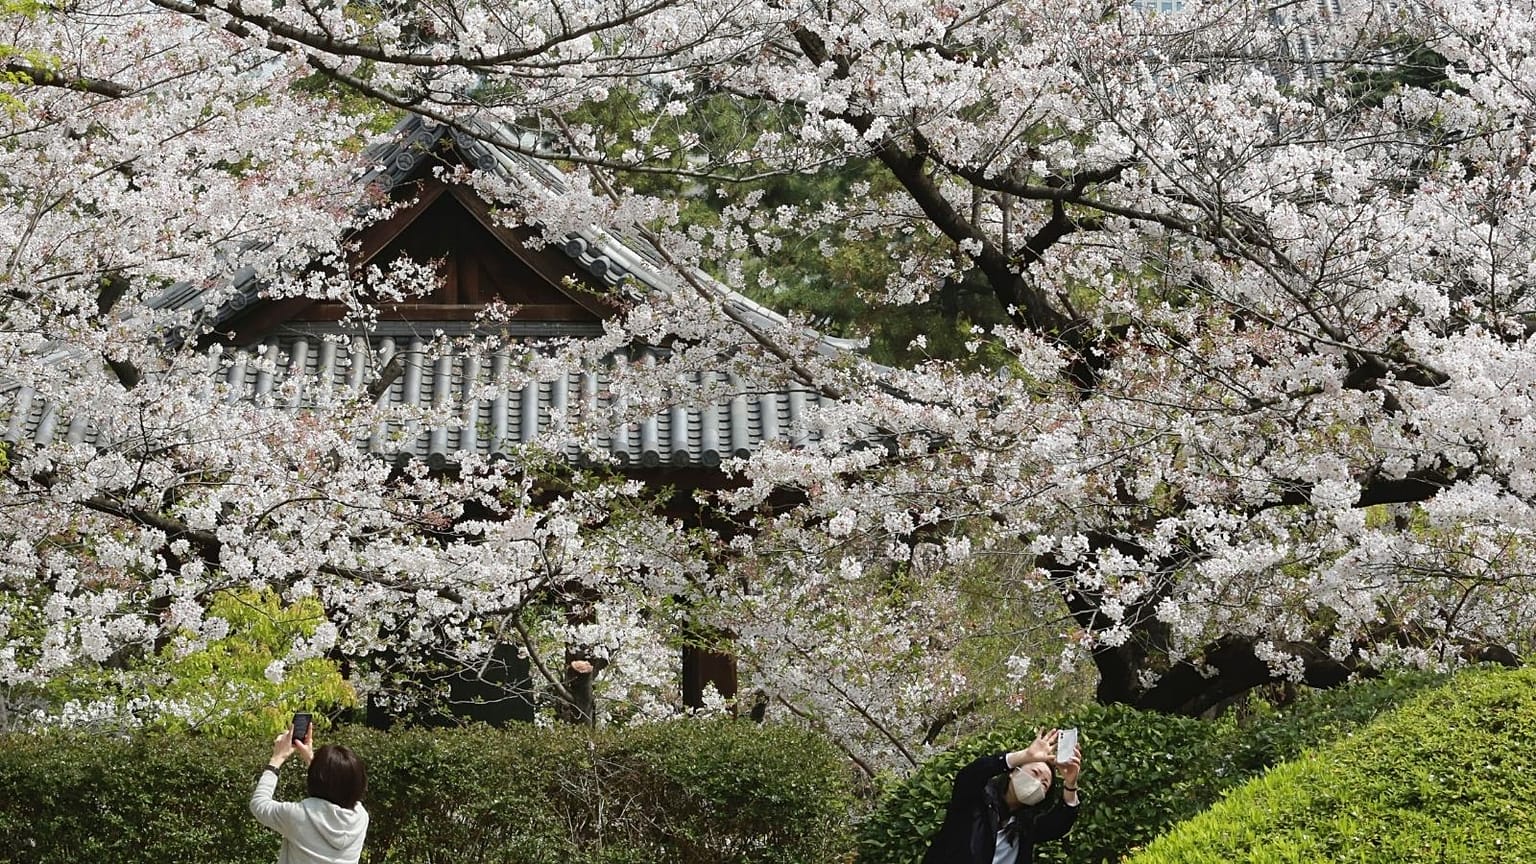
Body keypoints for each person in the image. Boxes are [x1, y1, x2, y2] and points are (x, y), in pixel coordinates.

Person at [921, 728, 1083, 864]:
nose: (1037, 783)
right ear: (1013, 772)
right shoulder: (975, 800)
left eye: (1044, 784)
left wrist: (1070, 784)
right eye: (1035, 773)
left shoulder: (1025, 827)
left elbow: (1058, 824)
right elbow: (969, 775)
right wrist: (1024, 756)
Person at [250, 723, 370, 864]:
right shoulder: (361, 818)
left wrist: (277, 758)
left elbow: (259, 804)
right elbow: (335, 785)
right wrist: (311, 760)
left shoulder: (299, 816)